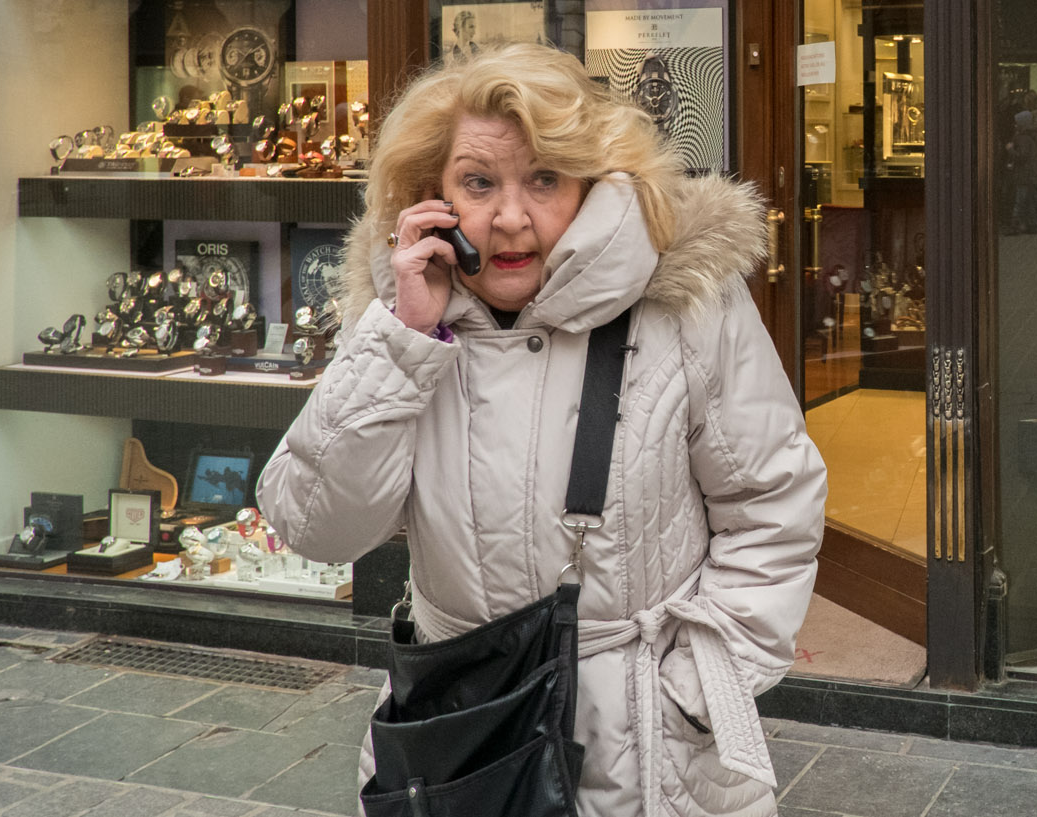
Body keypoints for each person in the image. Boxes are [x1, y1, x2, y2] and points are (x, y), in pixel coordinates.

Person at [256, 43, 827, 817]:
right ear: (434, 194)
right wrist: (402, 340)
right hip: (464, 736)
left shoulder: (684, 305)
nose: (512, 216)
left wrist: (693, 686)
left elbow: (774, 501)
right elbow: (316, 524)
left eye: (546, 179)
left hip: (651, 758)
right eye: (479, 183)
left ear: (594, 185)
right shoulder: (402, 322)